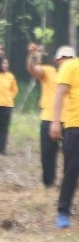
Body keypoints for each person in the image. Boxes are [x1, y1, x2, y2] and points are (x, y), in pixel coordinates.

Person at [29, 43, 74, 187]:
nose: (67, 60)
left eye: (70, 58)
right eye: (64, 57)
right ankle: (49, 184)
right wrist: (33, 57)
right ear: (57, 60)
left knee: (71, 156)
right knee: (48, 155)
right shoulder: (49, 71)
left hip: (71, 121)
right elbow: (33, 70)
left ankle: (68, 184)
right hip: (49, 119)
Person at [50, 56, 79, 228]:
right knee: (71, 170)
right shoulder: (71, 66)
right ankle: (63, 212)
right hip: (75, 126)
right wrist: (55, 122)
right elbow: (59, 94)